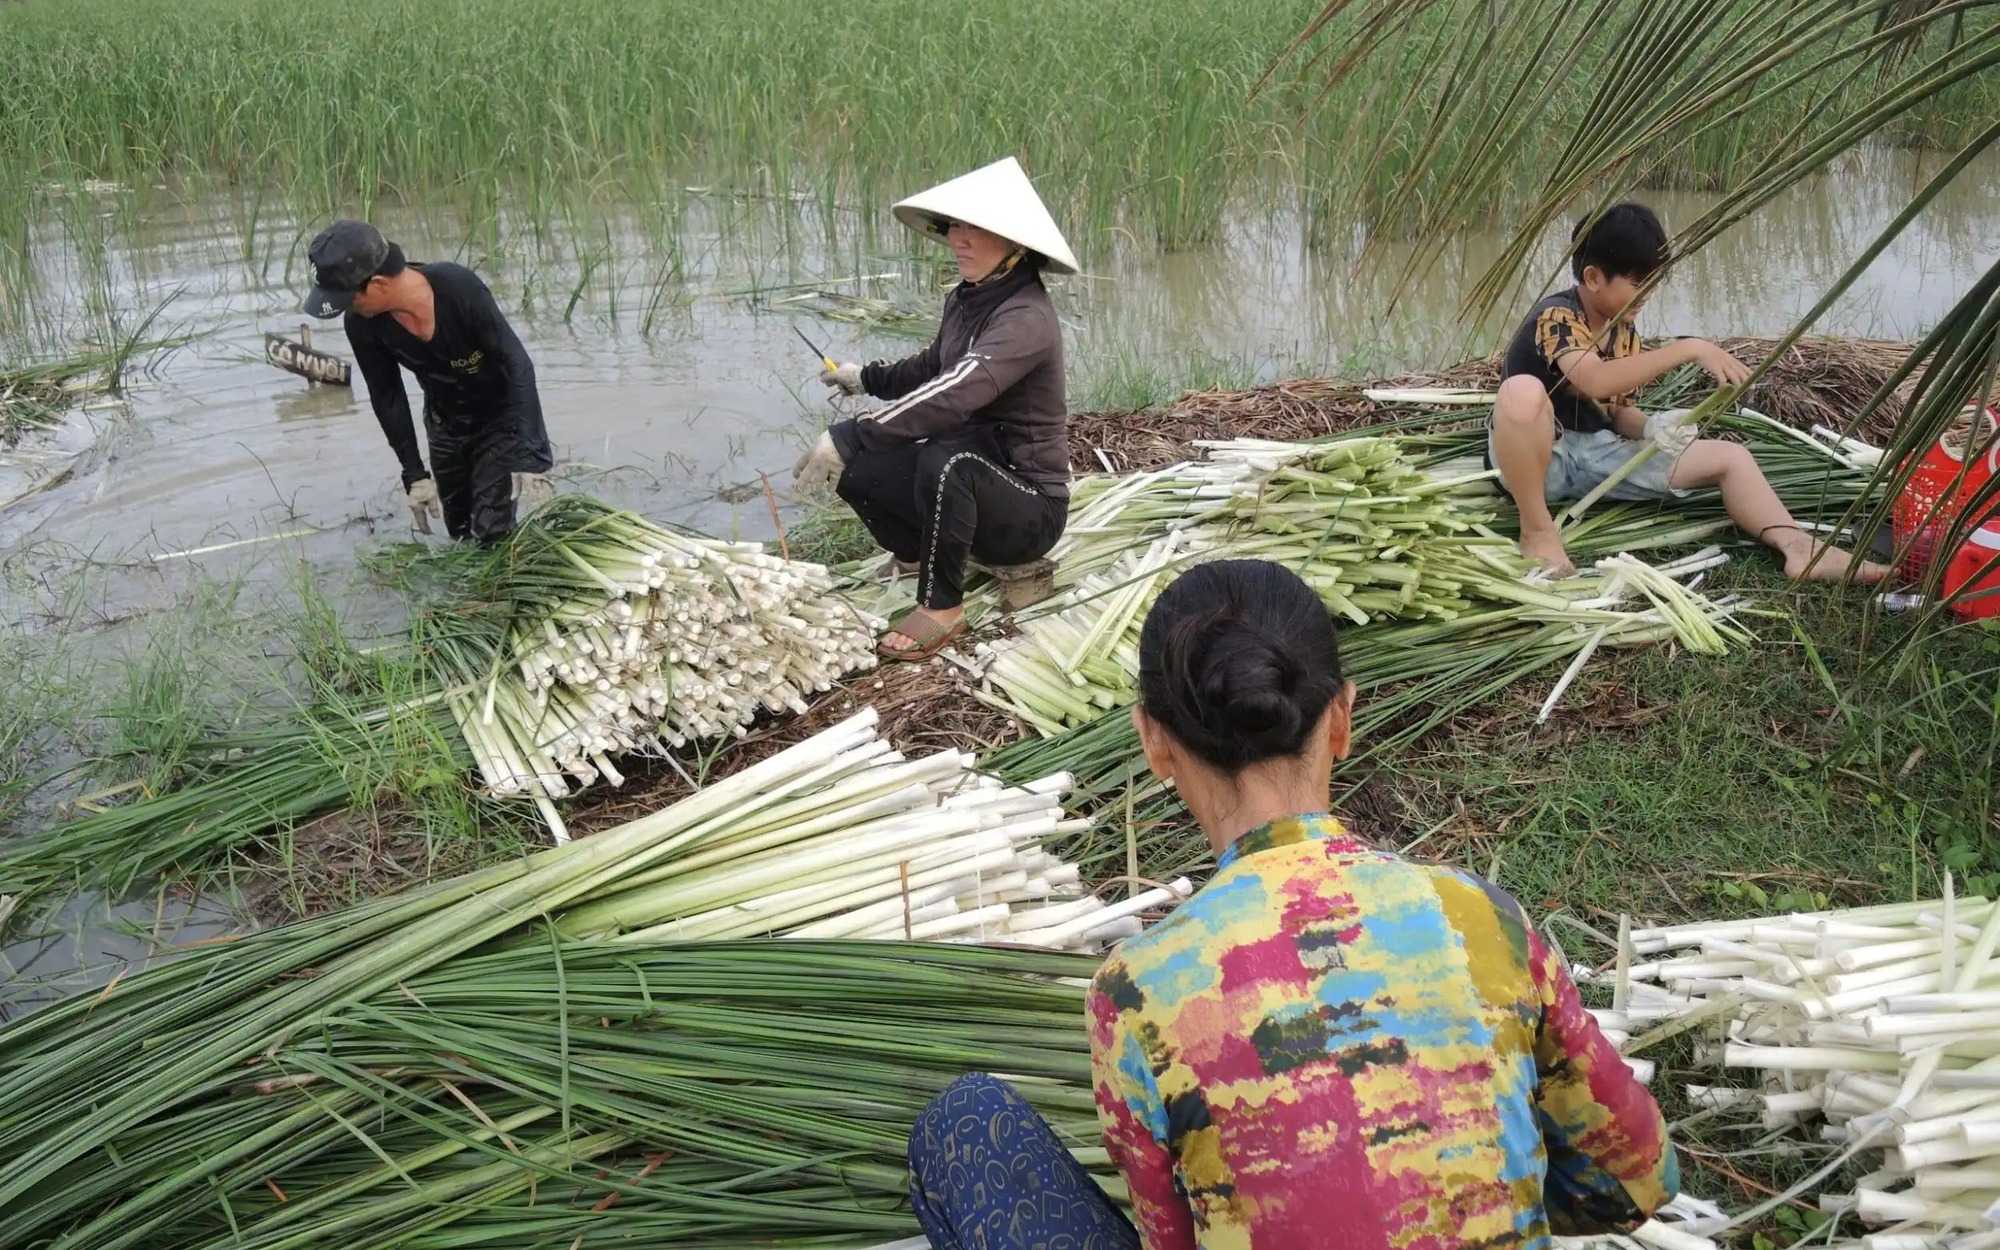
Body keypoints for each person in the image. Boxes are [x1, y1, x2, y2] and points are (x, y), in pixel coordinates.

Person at [907, 559, 1678, 1250]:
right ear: (1341, 717)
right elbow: (1639, 1180)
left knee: (967, 1124)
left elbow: (1175, 1239)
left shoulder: (1137, 991)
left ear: (1154, 742)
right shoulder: (1478, 918)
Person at [1491, 202, 1887, 583]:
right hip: (1540, 461)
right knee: (1521, 393)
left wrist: (1652, 428)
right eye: (1637, 282)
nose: (1647, 293)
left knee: (1732, 457)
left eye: (1653, 282)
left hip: (1597, 456)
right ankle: (1537, 530)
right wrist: (1690, 348)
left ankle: (1798, 546)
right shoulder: (1557, 315)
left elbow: (1616, 412)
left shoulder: (1624, 333)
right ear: (1593, 278)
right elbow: (1594, 379)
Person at [792, 158, 1075, 662]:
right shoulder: (967, 299)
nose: (958, 240)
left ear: (1016, 243)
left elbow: (955, 392)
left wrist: (853, 431)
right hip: (973, 484)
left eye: (975, 228)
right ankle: (916, 553)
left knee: (945, 460)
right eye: (954, 226)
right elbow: (933, 365)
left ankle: (944, 607)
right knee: (861, 467)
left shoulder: (1025, 317)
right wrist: (864, 379)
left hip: (1028, 508)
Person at [303, 219, 555, 544]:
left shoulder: (457, 288)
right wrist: (414, 475)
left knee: (492, 533)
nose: (347, 309)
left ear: (378, 284)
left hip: (501, 419)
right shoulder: (363, 325)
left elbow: (517, 362)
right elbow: (387, 394)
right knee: (461, 534)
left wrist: (531, 454)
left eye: (348, 300)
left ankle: (503, 590)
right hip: (445, 425)